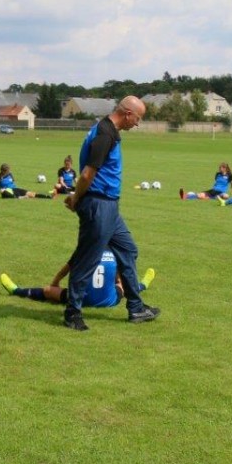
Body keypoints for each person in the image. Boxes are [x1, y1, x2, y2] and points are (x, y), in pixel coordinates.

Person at [62, 96, 159, 331]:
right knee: (88, 259)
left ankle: (136, 308)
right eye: (138, 118)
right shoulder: (105, 134)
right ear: (127, 114)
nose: (137, 124)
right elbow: (86, 175)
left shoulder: (109, 131)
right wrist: (76, 199)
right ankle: (72, 312)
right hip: (98, 205)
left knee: (128, 250)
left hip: (109, 207)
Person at [0, 250, 155, 307]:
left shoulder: (84, 250)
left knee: (47, 291)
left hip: (80, 300)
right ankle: (143, 285)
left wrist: (54, 284)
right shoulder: (115, 253)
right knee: (123, 286)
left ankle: (16, 290)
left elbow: (64, 271)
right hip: (110, 301)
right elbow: (118, 279)